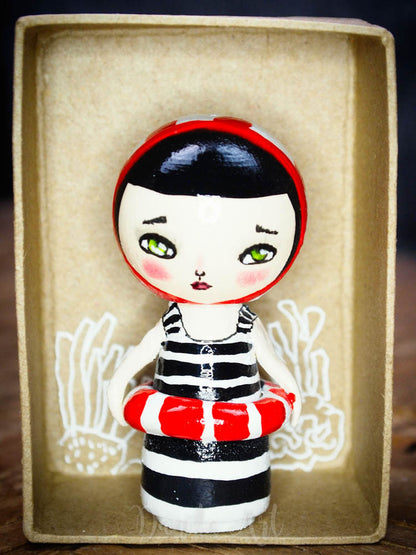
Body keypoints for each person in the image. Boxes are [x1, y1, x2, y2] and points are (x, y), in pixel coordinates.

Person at [108, 116, 307, 533]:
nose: (202, 271)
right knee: (169, 486)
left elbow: (271, 361)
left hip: (242, 442)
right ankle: (168, 501)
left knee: (240, 489)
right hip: (169, 441)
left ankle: (240, 503)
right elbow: (141, 354)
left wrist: (288, 394)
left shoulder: (246, 324)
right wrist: (118, 389)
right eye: (159, 244)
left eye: (256, 251)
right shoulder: (173, 321)